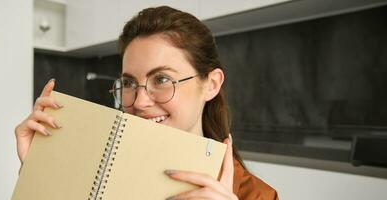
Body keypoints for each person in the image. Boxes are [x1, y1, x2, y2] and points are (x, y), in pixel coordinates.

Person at [15, 6, 278, 200]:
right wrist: (38, 178)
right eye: (129, 83)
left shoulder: (258, 196)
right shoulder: (96, 176)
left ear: (211, 84)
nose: (140, 102)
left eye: (162, 79)